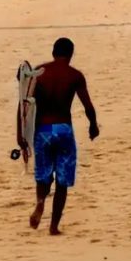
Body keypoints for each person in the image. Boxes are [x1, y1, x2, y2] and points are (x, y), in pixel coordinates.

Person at [28, 37, 99, 234]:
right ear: (71, 54)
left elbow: (25, 106)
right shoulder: (74, 75)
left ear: (53, 52)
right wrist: (93, 125)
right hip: (63, 130)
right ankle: (53, 227)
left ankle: (41, 202)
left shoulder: (39, 74)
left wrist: (23, 136)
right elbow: (88, 106)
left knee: (42, 175)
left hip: (43, 130)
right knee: (62, 180)